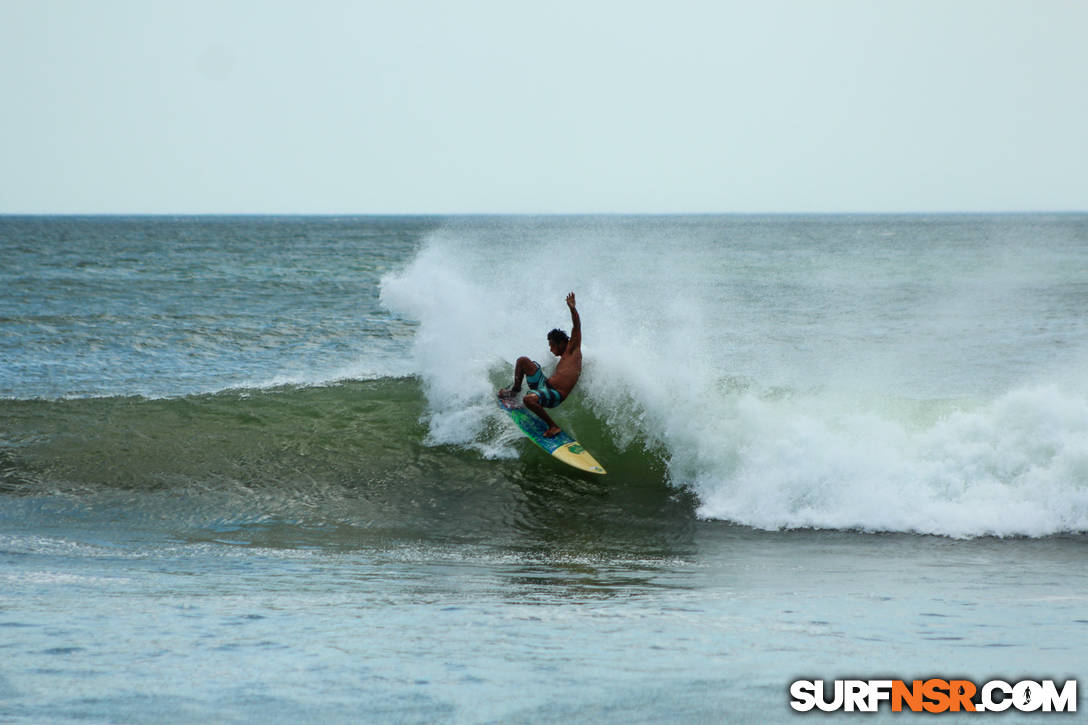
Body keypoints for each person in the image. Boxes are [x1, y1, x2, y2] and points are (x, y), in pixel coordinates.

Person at [499, 292, 582, 437]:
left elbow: (577, 327)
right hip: (544, 385)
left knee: (528, 400)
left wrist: (572, 308)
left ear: (561, 343)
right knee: (522, 360)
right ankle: (514, 391)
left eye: (552, 345)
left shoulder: (572, 350)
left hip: (555, 395)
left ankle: (553, 426)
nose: (550, 349)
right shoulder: (563, 357)